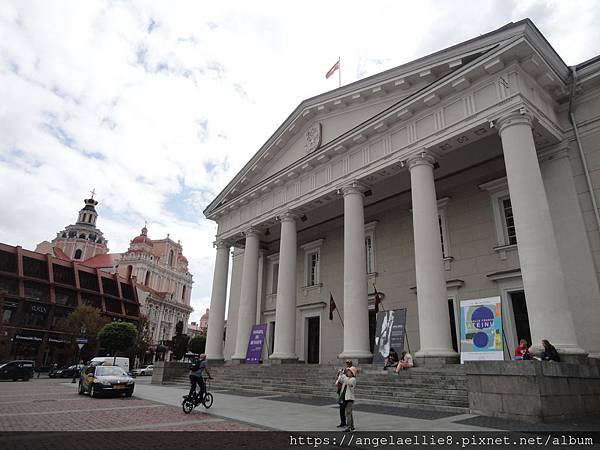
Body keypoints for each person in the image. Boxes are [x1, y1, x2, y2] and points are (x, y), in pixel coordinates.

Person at [336, 367, 357, 432]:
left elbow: (348, 382)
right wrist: (340, 374)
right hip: (345, 397)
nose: (347, 372)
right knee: (349, 413)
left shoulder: (353, 379)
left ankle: (349, 427)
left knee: (348, 412)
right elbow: (339, 381)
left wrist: (343, 375)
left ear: (352, 373)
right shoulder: (347, 378)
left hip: (350, 398)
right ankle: (352, 427)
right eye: (347, 371)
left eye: (349, 372)